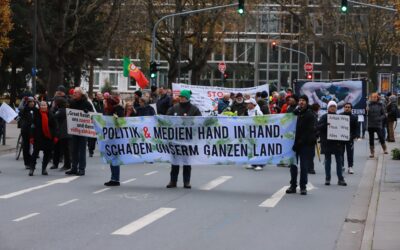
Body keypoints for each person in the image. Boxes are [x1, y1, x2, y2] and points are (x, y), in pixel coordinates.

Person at [166, 90, 201, 189]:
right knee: (175, 162)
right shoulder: (174, 108)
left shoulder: (194, 109)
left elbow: (199, 122)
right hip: (175, 139)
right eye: (180, 96)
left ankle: (186, 181)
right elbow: (166, 119)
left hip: (188, 140)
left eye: (183, 97)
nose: (181, 98)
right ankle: (173, 181)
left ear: (187, 98)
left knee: (186, 162)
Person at [286, 95, 317, 195]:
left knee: (304, 166)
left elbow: (309, 131)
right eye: (299, 100)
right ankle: (293, 185)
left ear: (307, 102)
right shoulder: (296, 112)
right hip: (294, 143)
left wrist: (299, 142)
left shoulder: (310, 114)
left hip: (304, 144)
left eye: (303, 100)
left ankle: (303, 186)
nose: (301, 102)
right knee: (293, 166)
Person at [318, 101, 347, 186]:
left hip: (337, 143)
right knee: (327, 161)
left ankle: (340, 179)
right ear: (328, 108)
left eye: (334, 106)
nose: (333, 108)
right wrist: (325, 125)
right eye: (331, 106)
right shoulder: (324, 117)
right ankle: (328, 178)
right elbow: (317, 128)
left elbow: (343, 129)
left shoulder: (339, 118)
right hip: (327, 142)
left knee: (339, 161)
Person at [66, 87, 94, 176]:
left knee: (82, 150)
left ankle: (81, 168)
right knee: (74, 149)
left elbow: (92, 114)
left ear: (81, 94)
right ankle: (74, 167)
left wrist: (87, 112)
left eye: (76, 93)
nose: (74, 94)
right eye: (74, 93)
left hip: (83, 130)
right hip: (74, 129)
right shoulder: (72, 102)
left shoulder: (86, 103)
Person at [29, 101, 58, 176]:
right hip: (38, 137)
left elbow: (55, 126)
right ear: (40, 106)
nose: (43, 107)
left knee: (47, 154)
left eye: (44, 105)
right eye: (41, 105)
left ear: (47, 106)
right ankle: (32, 168)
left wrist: (55, 136)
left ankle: (44, 168)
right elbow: (32, 126)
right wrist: (31, 137)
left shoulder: (51, 114)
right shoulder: (36, 114)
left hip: (48, 137)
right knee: (35, 153)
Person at [103, 95, 125, 186]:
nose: (104, 104)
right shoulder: (110, 110)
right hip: (111, 137)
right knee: (112, 157)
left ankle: (115, 179)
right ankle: (114, 178)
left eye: (105, 102)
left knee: (114, 157)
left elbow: (121, 122)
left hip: (116, 137)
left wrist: (115, 120)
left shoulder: (116, 110)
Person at [50, 96, 71, 170]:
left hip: (62, 132)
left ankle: (66, 165)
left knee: (63, 149)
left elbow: (53, 117)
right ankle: (57, 164)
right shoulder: (65, 110)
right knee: (59, 149)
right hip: (63, 132)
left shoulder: (61, 111)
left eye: (55, 102)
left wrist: (52, 108)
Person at [244, 98, 265, 171]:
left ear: (252, 104)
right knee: (253, 148)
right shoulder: (249, 111)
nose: (247, 105)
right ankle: (254, 163)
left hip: (258, 132)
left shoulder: (257, 112)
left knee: (259, 148)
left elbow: (262, 122)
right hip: (251, 132)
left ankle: (260, 164)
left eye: (248, 103)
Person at [367, 93, 388, 158]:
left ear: (377, 98)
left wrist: (380, 119)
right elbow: (364, 114)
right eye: (372, 97)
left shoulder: (380, 104)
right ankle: (372, 153)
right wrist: (366, 110)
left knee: (381, 137)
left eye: (375, 97)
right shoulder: (368, 105)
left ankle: (385, 149)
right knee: (371, 139)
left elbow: (384, 114)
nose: (373, 98)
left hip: (378, 124)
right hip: (370, 124)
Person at [18, 97, 37, 169]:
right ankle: (27, 163)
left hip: (34, 131)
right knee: (26, 146)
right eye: (30, 102)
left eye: (33, 102)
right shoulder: (24, 110)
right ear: (27, 103)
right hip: (26, 130)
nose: (32, 103)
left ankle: (33, 161)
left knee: (35, 147)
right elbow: (20, 110)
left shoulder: (36, 110)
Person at [341, 103, 359, 174]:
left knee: (350, 153)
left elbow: (356, 128)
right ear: (344, 108)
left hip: (350, 138)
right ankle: (341, 166)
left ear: (351, 108)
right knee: (340, 153)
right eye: (346, 107)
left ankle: (350, 167)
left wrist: (356, 136)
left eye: (348, 107)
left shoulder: (354, 117)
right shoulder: (340, 116)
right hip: (341, 138)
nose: (347, 108)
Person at [88, 92, 104, 157]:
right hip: (94, 121)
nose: (101, 96)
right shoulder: (92, 103)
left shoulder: (102, 102)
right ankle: (91, 150)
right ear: (96, 96)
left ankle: (102, 150)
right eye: (99, 95)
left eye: (101, 94)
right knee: (92, 137)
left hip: (101, 121)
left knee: (101, 137)